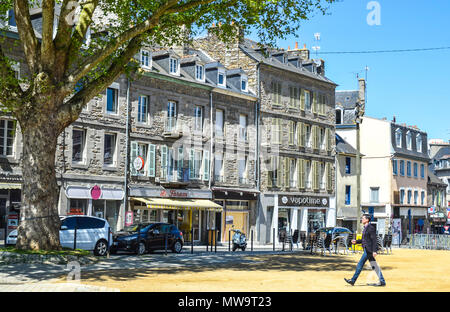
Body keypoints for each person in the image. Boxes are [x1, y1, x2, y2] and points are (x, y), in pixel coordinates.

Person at [345, 214, 386, 287]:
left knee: (360, 264)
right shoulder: (365, 228)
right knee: (374, 265)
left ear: (367, 219)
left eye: (363, 218)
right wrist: (356, 241)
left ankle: (353, 280)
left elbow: (374, 240)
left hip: (369, 250)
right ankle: (382, 281)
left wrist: (374, 251)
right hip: (367, 249)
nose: (362, 219)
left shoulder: (370, 228)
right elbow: (365, 240)